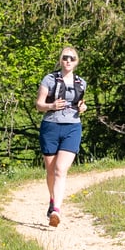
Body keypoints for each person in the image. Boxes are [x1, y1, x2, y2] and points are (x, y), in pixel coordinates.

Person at [35, 47, 86, 226]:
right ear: (60, 60)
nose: (68, 61)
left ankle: (56, 210)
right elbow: (39, 104)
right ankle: (52, 200)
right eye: (65, 58)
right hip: (51, 127)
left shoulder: (81, 82)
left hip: (72, 128)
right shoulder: (49, 79)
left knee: (60, 169)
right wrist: (51, 106)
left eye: (72, 58)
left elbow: (80, 102)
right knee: (50, 171)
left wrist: (82, 108)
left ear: (76, 61)